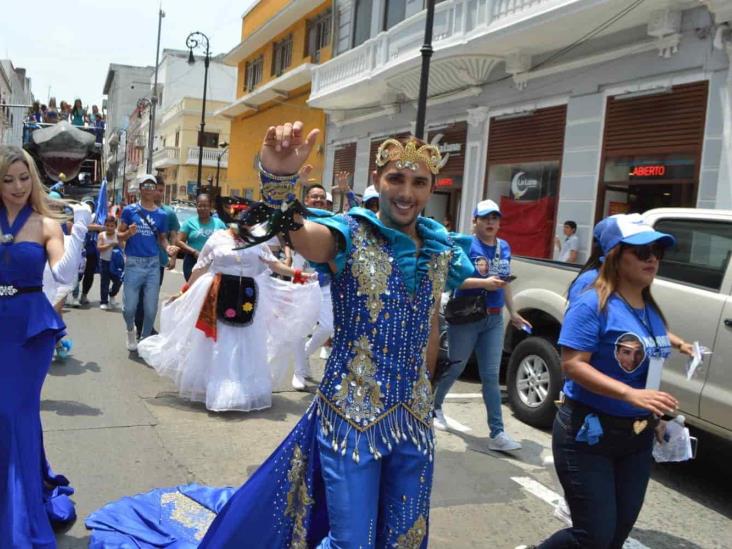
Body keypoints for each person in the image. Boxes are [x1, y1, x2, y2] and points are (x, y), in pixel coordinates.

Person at [85, 122, 473, 547]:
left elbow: (430, 328)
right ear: (377, 181)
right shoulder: (350, 234)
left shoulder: (440, 250)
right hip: (351, 420)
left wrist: (426, 393)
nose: (407, 192)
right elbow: (297, 233)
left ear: (432, 186)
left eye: (419, 182)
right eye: (396, 178)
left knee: (406, 538)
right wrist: (279, 180)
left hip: (413, 420)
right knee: (353, 542)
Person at [530, 214, 690, 549]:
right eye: (642, 252)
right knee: (594, 535)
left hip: (637, 438)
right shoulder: (592, 302)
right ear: (615, 255)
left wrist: (655, 414)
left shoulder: (650, 309)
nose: (653, 259)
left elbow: (648, 367)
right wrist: (630, 394)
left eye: (657, 251)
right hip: (588, 434)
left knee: (615, 536)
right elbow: (573, 365)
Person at [0, 146, 88, 546]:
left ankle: (19, 513)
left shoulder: (46, 223)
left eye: (23, 177)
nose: (18, 187)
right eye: (7, 179)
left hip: (28, 330)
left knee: (14, 410)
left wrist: (80, 232)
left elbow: (64, 274)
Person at [138, 225, 316, 412]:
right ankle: (216, 388)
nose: (243, 222)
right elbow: (201, 266)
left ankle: (241, 388)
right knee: (219, 342)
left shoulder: (256, 240)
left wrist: (298, 274)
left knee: (244, 343)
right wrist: (185, 290)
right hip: (217, 294)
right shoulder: (217, 238)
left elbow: (273, 264)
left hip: (247, 294)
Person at [432, 199, 529, 450]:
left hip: (494, 318)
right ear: (474, 221)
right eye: (485, 218)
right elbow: (452, 282)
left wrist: (514, 312)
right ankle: (434, 406)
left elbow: (504, 282)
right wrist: (484, 283)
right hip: (467, 316)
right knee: (455, 366)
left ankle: (497, 433)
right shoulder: (464, 244)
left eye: (495, 218)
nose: (490, 223)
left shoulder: (504, 247)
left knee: (490, 376)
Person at [117, 174, 175, 351]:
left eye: (153, 186)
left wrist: (168, 249)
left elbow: (162, 239)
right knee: (129, 308)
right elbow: (118, 235)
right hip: (134, 263)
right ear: (140, 188)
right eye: (146, 186)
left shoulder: (162, 215)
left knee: (150, 309)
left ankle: (144, 341)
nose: (150, 189)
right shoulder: (129, 211)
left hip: (152, 265)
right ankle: (130, 331)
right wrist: (128, 234)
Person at [291, 183, 336, 390]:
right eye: (313, 197)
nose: (318, 200)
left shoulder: (333, 223)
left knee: (327, 327)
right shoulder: (300, 221)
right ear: (307, 200)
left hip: (326, 284)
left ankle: (306, 352)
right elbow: (288, 207)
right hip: (302, 281)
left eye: (321, 198)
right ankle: (299, 372)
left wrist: (344, 193)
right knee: (300, 329)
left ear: (326, 203)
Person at [133, 176, 179, 338]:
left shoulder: (168, 213)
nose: (158, 193)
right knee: (138, 295)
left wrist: (172, 257)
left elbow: (173, 236)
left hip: (158, 262)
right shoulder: (138, 210)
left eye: (160, 190)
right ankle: (139, 326)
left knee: (150, 296)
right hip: (138, 260)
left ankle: (147, 326)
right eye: (155, 189)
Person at [176, 193, 226, 281]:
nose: (203, 208)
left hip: (213, 263)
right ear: (196, 206)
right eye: (200, 206)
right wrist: (193, 252)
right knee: (193, 289)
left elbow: (226, 241)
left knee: (210, 291)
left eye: (206, 206)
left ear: (210, 207)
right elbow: (178, 241)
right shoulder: (189, 223)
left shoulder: (219, 223)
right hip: (192, 262)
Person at [97, 216, 123, 310]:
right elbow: (99, 248)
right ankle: (104, 301)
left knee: (118, 281)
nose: (109, 227)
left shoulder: (118, 235)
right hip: (104, 262)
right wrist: (110, 245)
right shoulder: (101, 235)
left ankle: (112, 294)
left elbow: (123, 247)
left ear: (115, 226)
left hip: (116, 264)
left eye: (112, 226)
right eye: (107, 225)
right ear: (104, 225)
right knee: (104, 282)